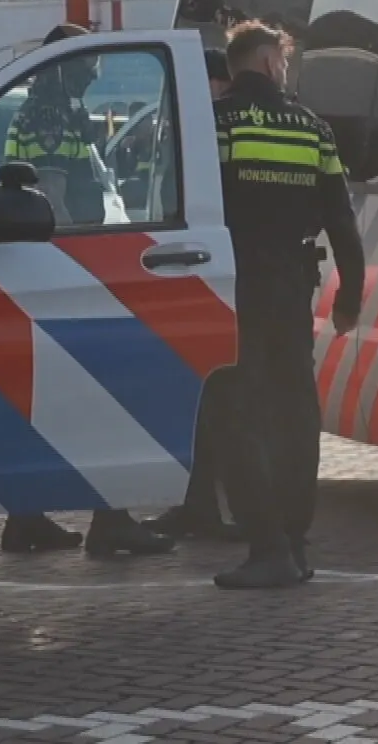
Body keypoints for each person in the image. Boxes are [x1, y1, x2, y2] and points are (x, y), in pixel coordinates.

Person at [0, 23, 176, 559]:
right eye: (87, 67)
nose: (94, 77)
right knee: (105, 397)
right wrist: (85, 262)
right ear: (66, 65)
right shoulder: (50, 114)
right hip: (73, 266)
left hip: (58, 265)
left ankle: (26, 518)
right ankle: (110, 520)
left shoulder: (52, 108)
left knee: (55, 398)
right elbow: (53, 195)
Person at [211, 20, 364, 590]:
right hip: (292, 285)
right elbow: (342, 223)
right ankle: (295, 541)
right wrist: (350, 296)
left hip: (233, 285)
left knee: (237, 410)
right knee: (296, 411)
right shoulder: (313, 129)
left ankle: (266, 544)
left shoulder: (218, 123)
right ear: (272, 63)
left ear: (233, 67)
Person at [146, 47, 245, 542]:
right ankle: (199, 504)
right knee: (202, 402)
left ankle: (205, 505)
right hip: (194, 281)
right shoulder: (193, 129)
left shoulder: (202, 128)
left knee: (217, 402)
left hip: (209, 282)